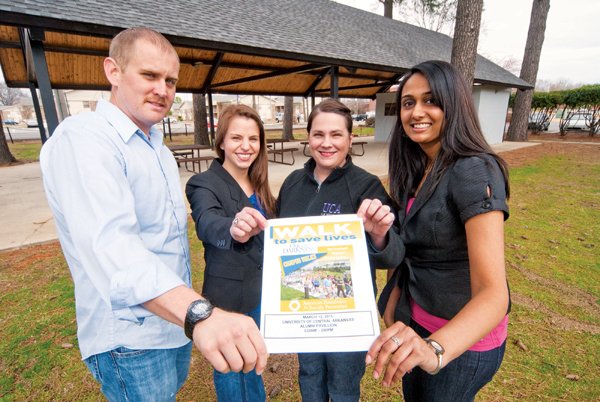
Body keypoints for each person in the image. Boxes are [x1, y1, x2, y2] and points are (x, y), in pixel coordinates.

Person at [39, 27, 267, 401]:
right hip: (131, 335)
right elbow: (113, 247)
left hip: (172, 324)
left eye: (170, 80)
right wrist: (201, 314)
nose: (162, 89)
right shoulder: (85, 139)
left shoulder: (156, 147)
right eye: (149, 75)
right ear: (113, 71)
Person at [366, 60, 510, 402]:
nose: (417, 112)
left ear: (454, 104)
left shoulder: (474, 170)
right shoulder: (416, 167)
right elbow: (410, 249)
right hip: (415, 326)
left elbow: (494, 293)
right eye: (408, 102)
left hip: (459, 343)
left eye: (431, 100)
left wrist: (435, 349)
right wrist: (395, 304)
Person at [277, 98, 402, 402]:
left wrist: (380, 235)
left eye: (336, 135)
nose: (326, 143)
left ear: (350, 138)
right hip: (304, 312)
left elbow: (394, 254)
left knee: (343, 383)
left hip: (348, 317)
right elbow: (279, 247)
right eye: (319, 134)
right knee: (309, 374)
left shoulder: (367, 187)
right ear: (308, 137)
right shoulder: (292, 184)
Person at [185, 104, 275, 401]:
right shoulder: (203, 183)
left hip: (261, 292)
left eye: (253, 139)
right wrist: (233, 227)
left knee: (255, 363)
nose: (246, 146)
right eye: (236, 138)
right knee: (231, 373)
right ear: (221, 141)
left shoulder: (259, 182)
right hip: (228, 298)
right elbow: (208, 222)